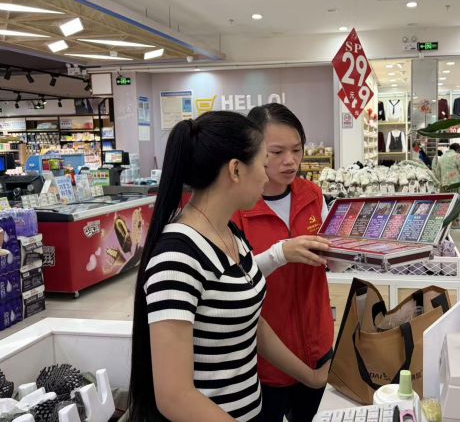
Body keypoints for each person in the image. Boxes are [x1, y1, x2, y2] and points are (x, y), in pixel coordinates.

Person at [128, 111, 332, 422]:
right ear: (236, 170)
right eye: (263, 164)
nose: (266, 177)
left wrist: (311, 377)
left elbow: (249, 321)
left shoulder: (230, 234)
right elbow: (174, 397)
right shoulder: (177, 257)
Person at [232, 103, 333, 422]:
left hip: (318, 345)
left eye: (297, 149)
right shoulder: (237, 207)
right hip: (264, 359)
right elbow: (231, 279)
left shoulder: (312, 194)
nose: (290, 161)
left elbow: (330, 257)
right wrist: (280, 254)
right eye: (276, 152)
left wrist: (344, 253)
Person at [434, 143, 460, 228]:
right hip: (455, 183)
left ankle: (445, 223)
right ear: (457, 149)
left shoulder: (442, 157)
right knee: (455, 203)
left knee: (446, 203)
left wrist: (442, 181)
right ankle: (454, 223)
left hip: (444, 184)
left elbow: (437, 172)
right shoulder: (457, 156)